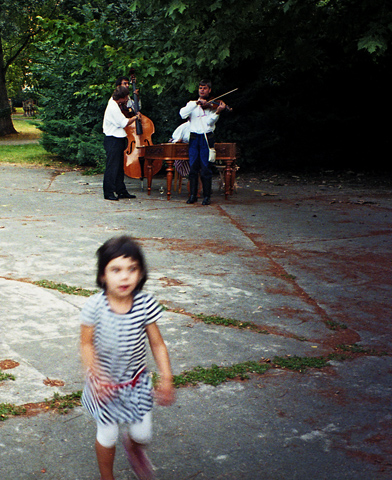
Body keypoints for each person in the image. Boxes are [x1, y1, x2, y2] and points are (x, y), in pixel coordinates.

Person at [80, 236, 175, 480]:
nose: (125, 277)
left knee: (143, 435)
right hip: (104, 385)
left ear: (141, 273)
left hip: (136, 382)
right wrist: (96, 375)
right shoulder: (94, 306)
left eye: (132, 269)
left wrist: (166, 377)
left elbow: (157, 344)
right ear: (102, 275)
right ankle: (107, 477)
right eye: (116, 270)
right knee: (107, 435)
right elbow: (86, 344)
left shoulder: (145, 304)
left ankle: (133, 447)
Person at [179, 79, 227, 205]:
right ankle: (193, 195)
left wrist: (217, 112)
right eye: (200, 88)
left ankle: (206, 196)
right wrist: (196, 104)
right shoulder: (191, 104)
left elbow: (210, 122)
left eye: (205, 88)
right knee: (193, 167)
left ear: (209, 90)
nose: (202, 90)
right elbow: (182, 114)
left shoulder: (212, 106)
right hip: (194, 137)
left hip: (206, 137)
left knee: (206, 168)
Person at [103, 86, 140, 201]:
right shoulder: (113, 107)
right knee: (112, 166)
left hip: (117, 138)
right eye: (126, 98)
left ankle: (121, 190)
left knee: (119, 168)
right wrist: (135, 117)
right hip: (113, 139)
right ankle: (108, 192)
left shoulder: (114, 103)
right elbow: (123, 123)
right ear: (122, 97)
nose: (126, 100)